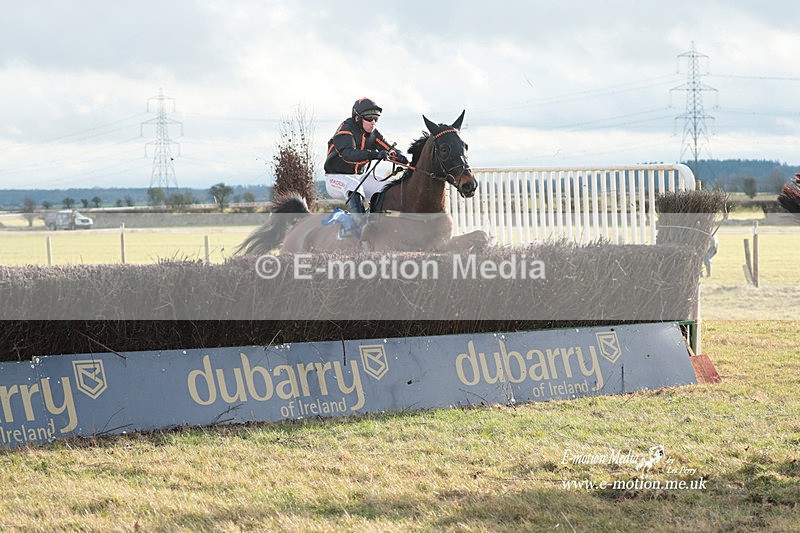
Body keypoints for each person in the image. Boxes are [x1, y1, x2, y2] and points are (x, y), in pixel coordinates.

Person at [324, 97, 408, 236]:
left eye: (376, 118)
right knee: (353, 185)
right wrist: (374, 154)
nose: (373, 122)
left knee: (387, 186)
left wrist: (403, 159)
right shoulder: (345, 130)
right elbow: (348, 154)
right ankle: (363, 227)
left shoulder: (373, 133)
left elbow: (389, 150)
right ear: (357, 118)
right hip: (335, 178)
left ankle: (376, 221)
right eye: (369, 118)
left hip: (359, 177)